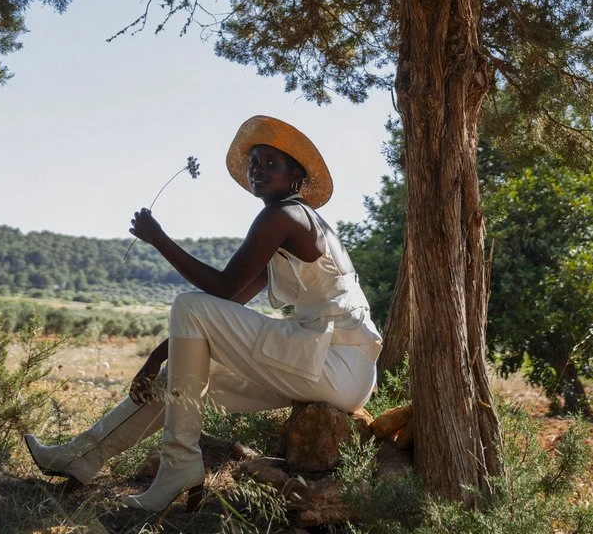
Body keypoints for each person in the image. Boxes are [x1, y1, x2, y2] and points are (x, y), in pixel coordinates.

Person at [24, 115, 382, 513]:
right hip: (333, 368)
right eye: (254, 164)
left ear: (296, 176)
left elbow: (220, 291)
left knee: (187, 304)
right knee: (181, 377)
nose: (257, 171)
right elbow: (226, 309)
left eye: (270, 163)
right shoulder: (293, 226)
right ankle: (80, 457)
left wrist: (159, 239)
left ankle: (179, 464)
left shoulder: (283, 217)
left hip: (334, 365)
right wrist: (159, 356)